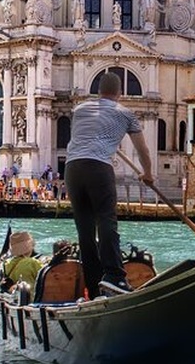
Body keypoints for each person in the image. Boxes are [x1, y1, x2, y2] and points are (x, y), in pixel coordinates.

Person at [65, 72, 154, 298]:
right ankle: (114, 276)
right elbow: (142, 149)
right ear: (119, 93)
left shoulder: (79, 110)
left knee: (85, 230)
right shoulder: (125, 113)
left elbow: (86, 135)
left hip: (72, 168)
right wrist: (148, 174)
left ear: (97, 91)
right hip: (98, 167)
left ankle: (94, 287)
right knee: (106, 221)